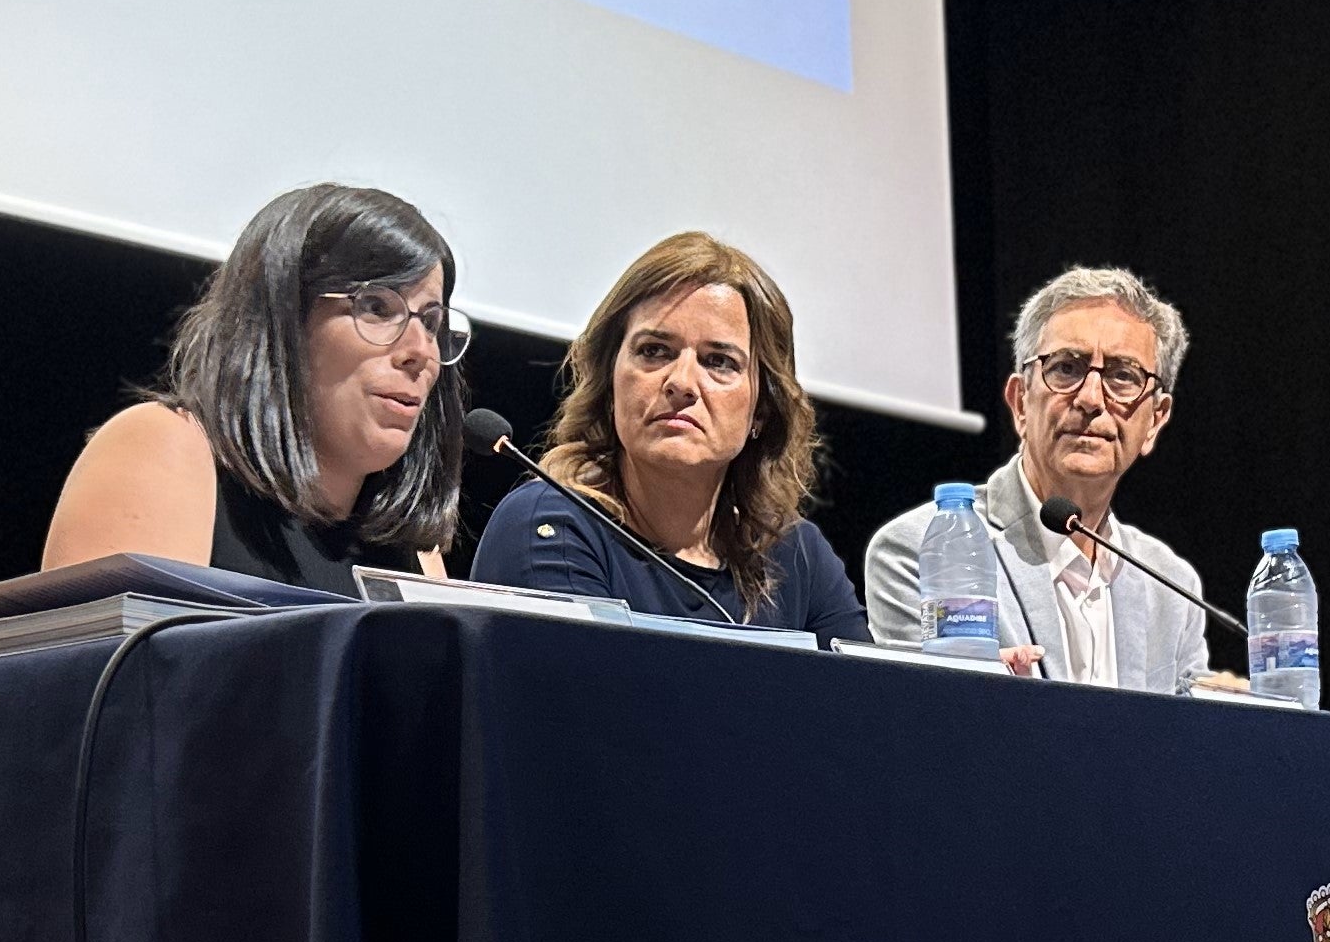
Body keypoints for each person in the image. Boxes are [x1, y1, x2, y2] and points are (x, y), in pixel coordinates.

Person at [40, 182, 467, 589]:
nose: (422, 352)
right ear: (282, 320)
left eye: (431, 323)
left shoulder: (413, 549)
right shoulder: (164, 448)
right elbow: (105, 665)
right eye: (377, 307)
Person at [469, 231, 872, 639]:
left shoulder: (794, 553)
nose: (682, 383)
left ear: (762, 410)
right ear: (610, 381)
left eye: (719, 361)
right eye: (654, 351)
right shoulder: (550, 526)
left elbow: (872, 699)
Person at [865, 265, 1220, 690]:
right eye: (1067, 368)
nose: (1090, 399)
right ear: (1019, 403)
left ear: (1155, 421)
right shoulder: (918, 550)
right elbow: (936, 730)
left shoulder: (1173, 588)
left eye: (1123, 376)